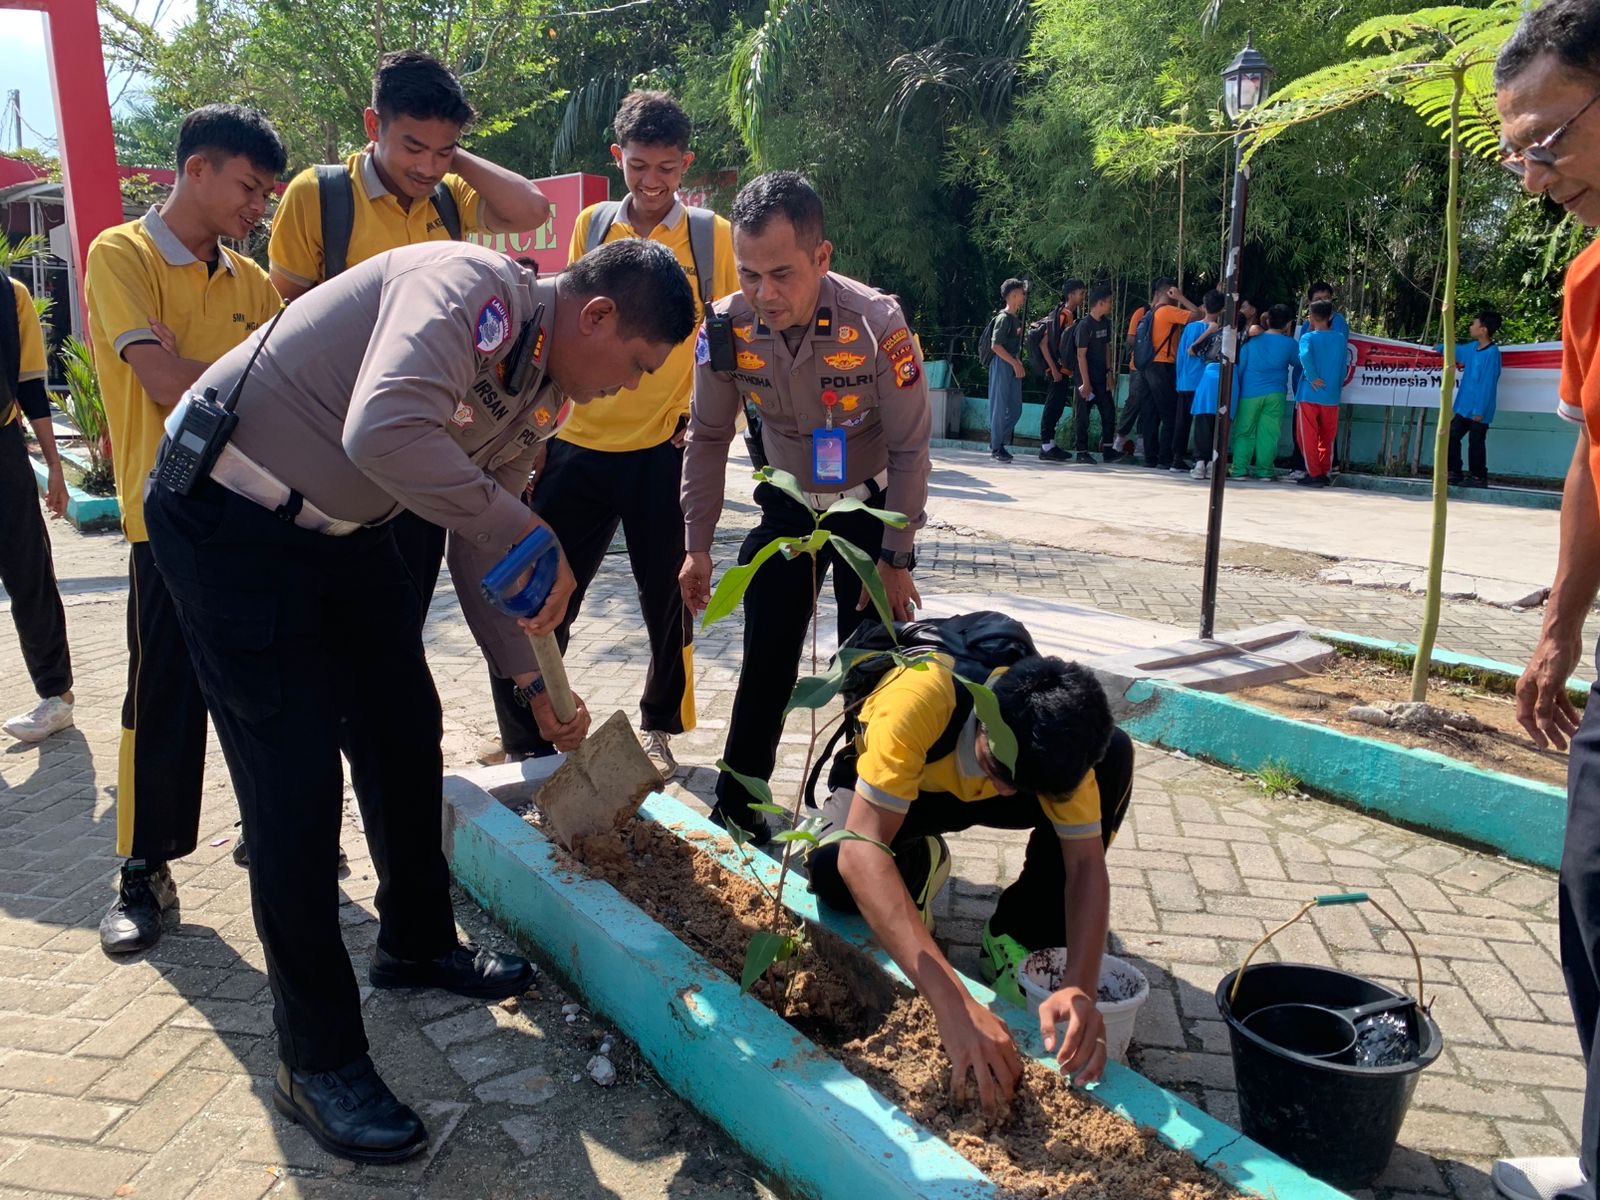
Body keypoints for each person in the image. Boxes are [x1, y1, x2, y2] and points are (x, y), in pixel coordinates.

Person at [142, 237, 696, 1164]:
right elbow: (383, 431)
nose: (626, 390)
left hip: (348, 528)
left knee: (405, 725)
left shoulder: (540, 390)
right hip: (230, 516)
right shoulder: (464, 290)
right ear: (595, 316)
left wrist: (529, 676)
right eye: (635, 365)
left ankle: (416, 943)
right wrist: (526, 522)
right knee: (294, 784)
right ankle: (316, 1062)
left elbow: (479, 533)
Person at [267, 50, 552, 782]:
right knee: (319, 638)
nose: (427, 166)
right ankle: (308, 795)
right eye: (411, 146)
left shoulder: (450, 199)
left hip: (420, 458)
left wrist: (452, 154)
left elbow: (533, 211)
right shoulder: (319, 197)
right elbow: (288, 317)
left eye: (443, 149)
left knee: (394, 628)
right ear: (373, 126)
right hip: (332, 456)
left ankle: (379, 782)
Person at [82, 104, 287, 954]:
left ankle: (271, 831)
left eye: (268, 194)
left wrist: (202, 378)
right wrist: (218, 378)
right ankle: (142, 868)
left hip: (255, 516)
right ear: (195, 169)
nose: (258, 207)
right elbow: (164, 382)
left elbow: (283, 393)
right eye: (249, 187)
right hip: (162, 517)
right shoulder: (119, 254)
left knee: (271, 686)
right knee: (162, 697)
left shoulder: (255, 283)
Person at [489, 89, 739, 777]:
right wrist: (538, 429)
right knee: (544, 592)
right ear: (616, 158)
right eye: (638, 167)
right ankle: (527, 734)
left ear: (686, 163)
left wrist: (714, 424)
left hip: (664, 449)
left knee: (668, 600)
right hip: (577, 441)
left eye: (667, 168)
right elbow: (565, 320)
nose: (653, 183)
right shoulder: (594, 225)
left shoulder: (710, 237)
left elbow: (728, 335)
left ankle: (660, 727)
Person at [679, 171, 932, 844]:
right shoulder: (726, 327)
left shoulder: (878, 324)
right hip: (789, 507)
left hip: (868, 513)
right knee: (766, 654)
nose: (765, 294)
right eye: (750, 274)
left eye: (782, 274)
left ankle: (859, 817)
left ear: (822, 258)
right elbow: (706, 436)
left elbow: (910, 447)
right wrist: (696, 543)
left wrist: (896, 558)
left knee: (869, 666)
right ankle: (739, 806)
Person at [806, 644, 1133, 1114]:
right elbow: (860, 853)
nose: (1005, 790)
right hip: (906, 788)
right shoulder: (920, 697)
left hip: (979, 768)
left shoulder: (1052, 740)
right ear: (986, 722)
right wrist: (953, 1005)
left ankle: (1016, 933)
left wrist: (1080, 984)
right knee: (833, 872)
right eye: (1001, 770)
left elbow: (1084, 867)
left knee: (1115, 754)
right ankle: (919, 862)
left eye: (1023, 786)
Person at [1499, 2, 1600, 1197]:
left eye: (1552, 140)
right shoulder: (1585, 281)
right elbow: (1589, 463)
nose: (1533, 177)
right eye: (1516, 152)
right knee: (1588, 893)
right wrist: (1558, 627)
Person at [1, 269, 73, 742]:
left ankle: (57, 697)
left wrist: (54, 464)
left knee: (29, 574)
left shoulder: (11, 295)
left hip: (3, 448)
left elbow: (31, 388)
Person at [1230, 303, 1299, 480]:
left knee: (1245, 431)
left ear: (1267, 320)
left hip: (1249, 392)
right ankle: (1265, 471)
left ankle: (1239, 470)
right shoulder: (1290, 344)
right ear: (1288, 324)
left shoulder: (1251, 342)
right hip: (1276, 392)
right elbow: (1299, 364)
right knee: (1269, 433)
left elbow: (1241, 368)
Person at [1138, 278, 1200, 472]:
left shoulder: (1151, 312)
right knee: (1170, 414)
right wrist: (1181, 297)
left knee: (1151, 413)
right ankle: (1166, 457)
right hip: (1163, 365)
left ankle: (1151, 456)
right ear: (1169, 292)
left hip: (1147, 365)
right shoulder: (1167, 311)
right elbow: (1198, 315)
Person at [1441, 310, 1504, 488]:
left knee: (1476, 442)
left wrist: (1480, 410)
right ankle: (1454, 472)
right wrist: (1439, 348)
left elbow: (1488, 384)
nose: (1471, 326)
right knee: (1451, 436)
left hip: (1479, 409)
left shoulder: (1492, 353)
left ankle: (1478, 476)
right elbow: (1456, 351)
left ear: (1483, 329)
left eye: (1473, 323)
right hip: (1464, 406)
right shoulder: (1471, 348)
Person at [1293, 299, 1348, 488]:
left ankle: (1313, 473)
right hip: (1331, 394)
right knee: (1327, 436)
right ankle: (1324, 471)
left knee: (1307, 435)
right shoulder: (1340, 338)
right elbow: (1343, 366)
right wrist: (1336, 385)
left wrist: (1312, 376)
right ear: (1331, 317)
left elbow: (1304, 355)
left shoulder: (1307, 338)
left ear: (1310, 317)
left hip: (1310, 393)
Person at [1071, 284, 1119, 464]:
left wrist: (1109, 372)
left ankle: (1108, 449)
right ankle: (1081, 451)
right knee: (1083, 415)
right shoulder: (1085, 325)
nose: (1111, 305)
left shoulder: (1105, 323)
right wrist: (1085, 381)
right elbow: (1080, 355)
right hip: (1085, 377)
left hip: (1101, 376)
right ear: (1100, 303)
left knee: (1109, 411)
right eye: (1109, 302)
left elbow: (1107, 347)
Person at [1037, 279, 1083, 463]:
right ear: (1070, 294)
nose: (1082, 296)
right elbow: (1043, 343)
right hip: (1057, 369)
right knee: (1052, 405)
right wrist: (1053, 369)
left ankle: (1050, 444)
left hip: (1063, 369)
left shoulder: (1069, 314)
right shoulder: (1063, 315)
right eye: (1080, 293)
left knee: (1057, 405)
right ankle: (1046, 445)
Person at [1174, 289, 1218, 470]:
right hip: (1202, 383)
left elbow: (1181, 355)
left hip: (1186, 380)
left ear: (1203, 306)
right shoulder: (1215, 331)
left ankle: (1177, 458)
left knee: (1182, 422)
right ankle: (1202, 460)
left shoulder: (1190, 327)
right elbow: (1195, 351)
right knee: (1204, 424)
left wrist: (1179, 378)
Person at [1185, 290, 1227, 481]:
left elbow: (1192, 350)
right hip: (1228, 381)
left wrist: (1209, 331)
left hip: (1209, 377)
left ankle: (1200, 463)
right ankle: (1214, 464)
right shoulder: (1238, 336)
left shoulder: (1215, 334)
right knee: (1221, 423)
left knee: (1203, 420)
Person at [987, 279, 1027, 463]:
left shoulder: (1015, 319)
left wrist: (1017, 362)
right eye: (1021, 293)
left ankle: (997, 440)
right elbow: (996, 346)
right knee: (999, 406)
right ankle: (997, 447)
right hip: (1002, 363)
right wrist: (1014, 363)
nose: (1023, 296)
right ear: (1012, 296)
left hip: (1011, 363)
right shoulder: (1003, 318)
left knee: (1016, 408)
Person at [1114, 300, 1148, 457]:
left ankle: (1142, 442)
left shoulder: (1170, 310)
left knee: (1149, 403)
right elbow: (1130, 339)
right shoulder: (1141, 312)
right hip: (1139, 364)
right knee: (1134, 401)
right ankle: (1120, 438)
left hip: (1157, 366)